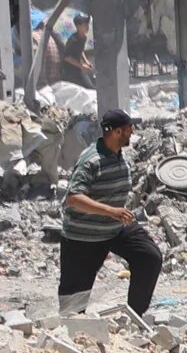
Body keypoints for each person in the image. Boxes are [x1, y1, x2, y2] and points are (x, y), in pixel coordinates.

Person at [57, 108, 161, 319]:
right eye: (129, 129)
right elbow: (73, 198)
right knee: (73, 307)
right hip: (84, 235)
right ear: (116, 131)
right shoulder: (91, 160)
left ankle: (134, 316)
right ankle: (73, 330)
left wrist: (115, 213)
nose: (132, 133)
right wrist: (111, 211)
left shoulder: (117, 154)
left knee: (149, 257)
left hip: (115, 228)